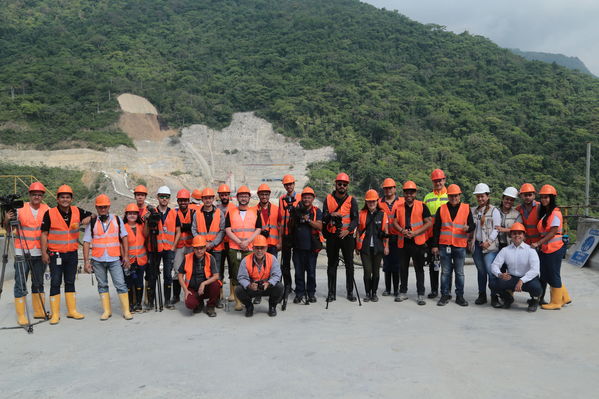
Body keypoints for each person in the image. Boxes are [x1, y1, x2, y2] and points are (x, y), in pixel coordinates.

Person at [40, 184, 92, 325]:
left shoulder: (76, 211)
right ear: (57, 199)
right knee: (55, 282)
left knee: (70, 281)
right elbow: (44, 234)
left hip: (71, 253)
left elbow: (93, 215)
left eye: (67, 197)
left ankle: (71, 310)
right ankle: (55, 314)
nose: (65, 199)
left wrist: (85, 220)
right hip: (55, 254)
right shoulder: (50, 213)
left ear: (71, 199)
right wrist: (44, 253)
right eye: (62, 197)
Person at [83, 195, 132, 320]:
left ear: (109, 206)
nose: (103, 209)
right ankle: (106, 311)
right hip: (98, 259)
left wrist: (126, 256)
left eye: (105, 207)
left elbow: (124, 237)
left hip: (114, 258)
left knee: (120, 284)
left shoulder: (116, 220)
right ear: (97, 208)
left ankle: (126, 311)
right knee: (102, 285)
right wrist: (86, 262)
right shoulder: (93, 222)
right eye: (100, 207)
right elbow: (87, 242)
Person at [7, 182, 50, 325]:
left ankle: (38, 311)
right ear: (29, 195)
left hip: (39, 252)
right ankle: (21, 315)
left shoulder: (47, 209)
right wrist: (7, 219)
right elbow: (8, 230)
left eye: (39, 194)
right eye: (34, 194)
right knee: (20, 284)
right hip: (21, 252)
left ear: (42, 196)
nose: (37, 197)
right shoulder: (20, 208)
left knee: (38, 283)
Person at [431, 184, 475, 307]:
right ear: (448, 196)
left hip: (460, 246)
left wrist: (468, 228)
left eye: (455, 196)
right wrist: (435, 246)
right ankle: (444, 295)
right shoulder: (442, 209)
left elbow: (472, 225)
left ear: (459, 196)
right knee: (445, 272)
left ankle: (459, 296)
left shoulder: (466, 208)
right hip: (444, 245)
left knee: (460, 273)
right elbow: (436, 228)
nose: (453, 198)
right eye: (451, 196)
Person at [392, 181, 433, 305]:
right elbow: (394, 222)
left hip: (418, 242)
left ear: (415, 193)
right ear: (403, 193)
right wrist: (401, 230)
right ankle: (403, 291)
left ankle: (421, 294)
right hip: (403, 242)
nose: (409, 194)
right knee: (403, 268)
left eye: (412, 192)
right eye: (407, 192)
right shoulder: (398, 207)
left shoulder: (422, 206)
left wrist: (415, 233)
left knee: (419, 269)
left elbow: (429, 222)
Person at [532, 185, 572, 310]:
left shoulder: (555, 213)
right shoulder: (546, 213)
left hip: (554, 248)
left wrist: (538, 243)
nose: (544, 199)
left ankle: (556, 302)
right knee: (547, 273)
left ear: (552, 198)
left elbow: (553, 232)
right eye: (542, 197)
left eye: (546, 197)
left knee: (553, 274)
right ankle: (564, 297)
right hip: (547, 248)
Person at [489, 223, 542, 312]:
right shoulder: (505, 250)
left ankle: (533, 301)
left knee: (536, 287)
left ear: (524, 236)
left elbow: (535, 270)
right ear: (511, 236)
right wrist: (500, 274)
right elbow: (494, 265)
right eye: (514, 233)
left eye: (519, 233)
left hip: (527, 279)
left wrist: (522, 280)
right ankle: (508, 298)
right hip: (512, 278)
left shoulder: (531, 250)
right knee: (493, 283)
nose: (517, 235)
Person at [323, 173, 359, 302]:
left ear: (347, 186)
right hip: (332, 236)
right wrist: (331, 215)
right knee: (332, 265)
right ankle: (331, 292)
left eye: (344, 184)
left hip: (347, 237)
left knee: (349, 264)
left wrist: (348, 230)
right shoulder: (328, 199)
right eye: (340, 184)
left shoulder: (352, 200)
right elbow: (324, 218)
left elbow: (356, 220)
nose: (342, 186)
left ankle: (350, 292)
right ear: (336, 184)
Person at [225, 185, 262, 311]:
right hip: (235, 248)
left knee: (250, 275)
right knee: (236, 275)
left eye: (246, 196)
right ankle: (238, 301)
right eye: (241, 196)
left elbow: (258, 229)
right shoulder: (231, 212)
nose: (244, 198)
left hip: (250, 248)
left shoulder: (255, 212)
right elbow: (228, 230)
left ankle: (248, 299)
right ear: (237, 197)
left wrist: (247, 241)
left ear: (249, 198)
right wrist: (239, 242)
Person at [146, 186, 179, 310]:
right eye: (162, 196)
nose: (164, 199)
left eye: (166, 197)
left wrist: (174, 246)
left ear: (169, 198)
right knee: (152, 275)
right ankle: (150, 302)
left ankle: (167, 301)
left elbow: (178, 231)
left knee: (168, 275)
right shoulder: (152, 212)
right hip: (155, 248)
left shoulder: (174, 213)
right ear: (157, 197)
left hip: (168, 249)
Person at [192, 187, 226, 308]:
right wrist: (202, 244)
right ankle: (200, 297)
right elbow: (194, 229)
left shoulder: (219, 213)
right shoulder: (197, 213)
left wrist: (212, 244)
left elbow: (222, 231)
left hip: (216, 249)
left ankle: (216, 299)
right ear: (202, 199)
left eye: (210, 198)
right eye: (205, 198)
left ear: (213, 199)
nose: (208, 200)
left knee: (217, 274)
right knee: (201, 273)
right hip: (201, 250)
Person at [289, 187, 323, 304]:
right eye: (304, 197)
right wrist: (294, 214)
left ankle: (311, 293)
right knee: (298, 273)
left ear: (313, 198)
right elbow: (291, 226)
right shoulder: (297, 210)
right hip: (298, 248)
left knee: (311, 273)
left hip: (312, 248)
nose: (306, 199)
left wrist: (307, 220)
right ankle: (299, 293)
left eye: (309, 197)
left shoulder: (316, 211)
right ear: (301, 198)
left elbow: (319, 226)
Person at [235, 235, 284, 317]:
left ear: (266, 248)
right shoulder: (246, 260)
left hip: (267, 287)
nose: (259, 250)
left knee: (279, 286)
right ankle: (249, 307)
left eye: (262, 248)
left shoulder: (272, 259)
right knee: (238, 290)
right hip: (252, 288)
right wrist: (249, 285)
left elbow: (277, 275)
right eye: (257, 248)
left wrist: (268, 283)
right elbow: (241, 277)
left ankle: (272, 306)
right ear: (253, 248)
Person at [471, 183, 502, 307]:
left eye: (482, 196)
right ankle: (482, 295)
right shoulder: (473, 210)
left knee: (491, 271)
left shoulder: (494, 211)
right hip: (477, 246)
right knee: (481, 271)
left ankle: (494, 296)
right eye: (478, 197)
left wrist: (488, 242)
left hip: (490, 247)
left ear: (488, 196)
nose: (480, 199)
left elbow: (497, 228)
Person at [355, 189, 389, 302]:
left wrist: (386, 246)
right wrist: (357, 246)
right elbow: (358, 231)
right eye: (369, 201)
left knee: (376, 272)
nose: (371, 203)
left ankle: (374, 293)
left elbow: (386, 232)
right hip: (365, 248)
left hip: (378, 248)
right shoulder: (362, 214)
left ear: (377, 201)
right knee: (367, 271)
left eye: (373, 201)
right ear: (366, 202)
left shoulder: (382, 214)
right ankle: (367, 293)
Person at [177, 235, 220, 317]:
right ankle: (198, 303)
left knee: (216, 284)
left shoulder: (210, 258)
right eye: (197, 248)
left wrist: (204, 283)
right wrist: (185, 290)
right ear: (193, 248)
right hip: (192, 288)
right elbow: (180, 275)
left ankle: (210, 306)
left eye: (201, 248)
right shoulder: (187, 258)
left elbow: (216, 276)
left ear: (205, 248)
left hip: (205, 288)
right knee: (190, 304)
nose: (199, 250)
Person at [422, 169, 449, 299]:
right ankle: (434, 290)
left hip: (446, 235)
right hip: (431, 236)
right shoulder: (427, 197)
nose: (438, 182)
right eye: (435, 180)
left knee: (447, 265)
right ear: (432, 182)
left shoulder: (451, 195)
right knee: (433, 264)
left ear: (444, 180)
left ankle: (447, 291)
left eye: (440, 180)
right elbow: (423, 217)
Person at [378, 178, 402, 297]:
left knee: (396, 264)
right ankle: (388, 289)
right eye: (386, 188)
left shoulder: (401, 201)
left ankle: (396, 289)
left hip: (398, 236)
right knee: (387, 264)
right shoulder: (379, 203)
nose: (388, 190)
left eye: (390, 188)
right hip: (385, 237)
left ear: (394, 188)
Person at [278, 174, 300, 294]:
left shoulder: (300, 197)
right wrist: (280, 239)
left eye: (290, 184)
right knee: (285, 263)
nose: (289, 186)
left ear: (294, 184)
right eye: (286, 185)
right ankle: (287, 285)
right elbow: (281, 220)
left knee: (297, 262)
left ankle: (299, 286)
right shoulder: (282, 199)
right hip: (286, 234)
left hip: (297, 235)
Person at [171, 189, 194, 305]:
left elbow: (194, 227)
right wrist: (187, 226)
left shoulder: (194, 212)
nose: (183, 202)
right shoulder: (174, 213)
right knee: (177, 271)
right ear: (178, 201)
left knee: (191, 271)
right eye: (181, 200)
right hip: (179, 247)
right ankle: (176, 295)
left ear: (188, 201)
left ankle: (191, 293)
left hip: (191, 246)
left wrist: (182, 226)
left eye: (185, 200)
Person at [123, 203, 147, 312]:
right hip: (128, 260)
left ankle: (138, 304)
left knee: (139, 282)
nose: (132, 215)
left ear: (138, 215)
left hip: (141, 260)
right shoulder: (123, 228)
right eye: (130, 213)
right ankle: (130, 305)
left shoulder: (141, 226)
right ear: (126, 215)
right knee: (128, 283)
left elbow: (146, 236)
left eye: (134, 213)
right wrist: (124, 258)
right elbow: (120, 244)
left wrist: (146, 221)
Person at [217, 184, 235, 301]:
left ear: (229, 195)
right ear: (219, 196)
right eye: (222, 194)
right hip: (219, 243)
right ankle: (220, 292)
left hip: (231, 243)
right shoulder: (216, 209)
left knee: (233, 269)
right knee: (219, 269)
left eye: (226, 194)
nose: (224, 196)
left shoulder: (234, 208)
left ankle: (233, 293)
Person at [256, 183, 280, 257]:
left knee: (272, 267)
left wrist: (280, 243)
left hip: (273, 245)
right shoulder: (253, 210)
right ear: (258, 195)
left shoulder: (277, 209)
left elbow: (281, 227)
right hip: (258, 244)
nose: (264, 197)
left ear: (269, 195)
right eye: (262, 194)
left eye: (266, 194)